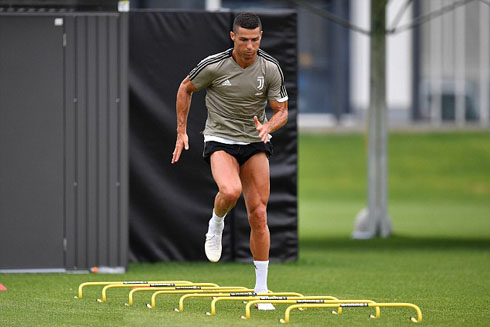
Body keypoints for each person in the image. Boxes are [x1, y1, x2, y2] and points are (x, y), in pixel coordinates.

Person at [171, 12, 288, 310]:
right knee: (231, 191)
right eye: (245, 39)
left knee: (259, 214)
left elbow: (281, 111)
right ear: (233, 37)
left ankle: (261, 289)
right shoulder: (215, 65)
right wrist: (181, 131)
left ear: (261, 38)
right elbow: (185, 88)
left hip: (254, 141)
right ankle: (217, 221)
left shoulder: (270, 68)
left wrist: (268, 127)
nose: (250, 46)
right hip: (220, 138)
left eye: (256, 40)